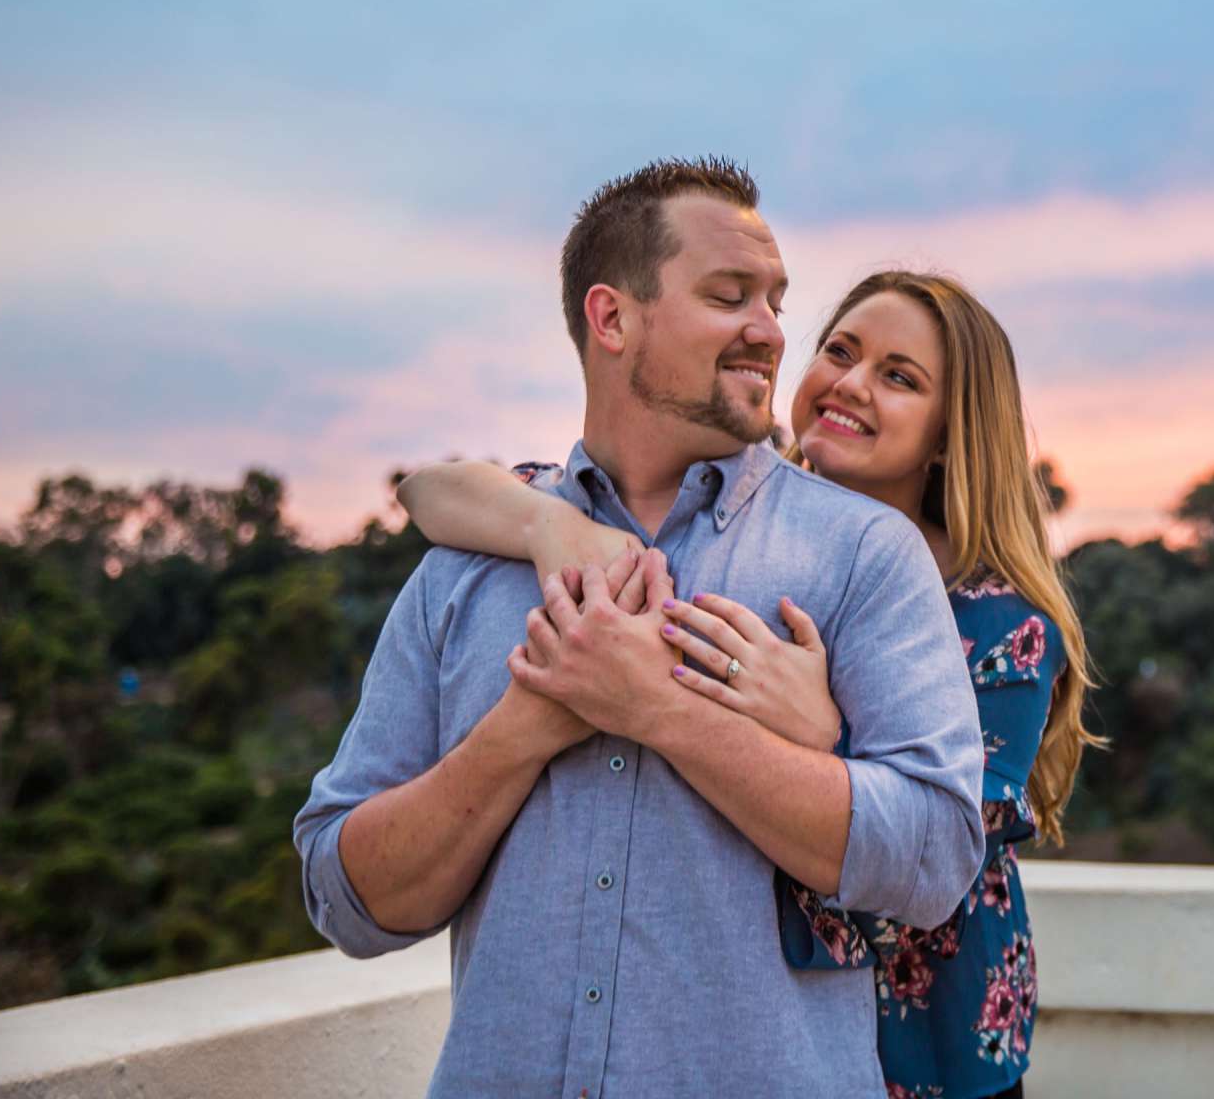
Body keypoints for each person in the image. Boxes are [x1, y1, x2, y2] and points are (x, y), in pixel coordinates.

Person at [294, 159, 986, 1099]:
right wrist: (522, 732)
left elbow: (934, 858)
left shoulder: (864, 555)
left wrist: (659, 709)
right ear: (612, 318)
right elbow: (345, 900)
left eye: (778, 303)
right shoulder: (463, 571)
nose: (772, 334)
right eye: (730, 296)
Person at [401, 269, 1098, 1099]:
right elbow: (427, 491)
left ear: (950, 433)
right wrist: (550, 522)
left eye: (898, 377)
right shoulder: (716, 520)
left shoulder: (999, 622)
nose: (851, 384)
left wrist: (820, 730)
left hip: (930, 1038)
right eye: (841, 352)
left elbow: (932, 853)